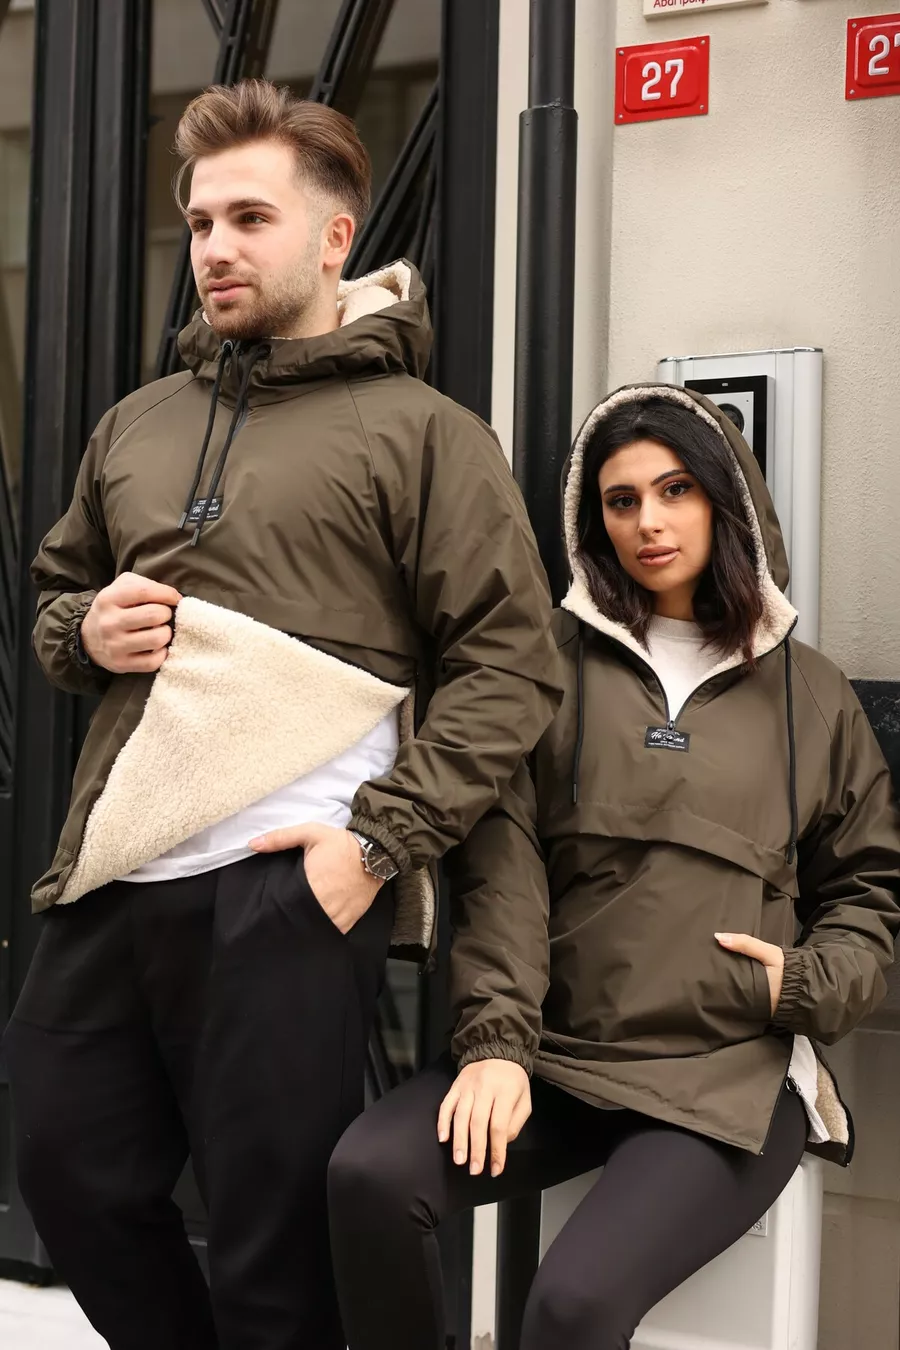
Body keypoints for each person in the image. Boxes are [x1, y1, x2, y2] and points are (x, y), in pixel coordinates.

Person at [3, 79, 561, 1350]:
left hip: (289, 887)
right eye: (201, 220)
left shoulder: (428, 436)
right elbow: (54, 599)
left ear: (332, 237)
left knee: (272, 1248)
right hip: (118, 873)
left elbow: (512, 667)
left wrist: (375, 845)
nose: (214, 246)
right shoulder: (139, 424)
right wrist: (84, 631)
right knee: (68, 1172)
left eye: (249, 218)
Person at [328, 384, 900, 1350]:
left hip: (724, 1076)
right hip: (557, 1055)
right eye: (621, 501)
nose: (649, 523)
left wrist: (799, 985)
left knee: (572, 1305)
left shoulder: (814, 696)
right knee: (370, 1178)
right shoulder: (542, 669)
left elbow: (866, 891)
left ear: (726, 500)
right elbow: (503, 878)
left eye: (675, 490)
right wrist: (497, 1045)